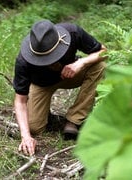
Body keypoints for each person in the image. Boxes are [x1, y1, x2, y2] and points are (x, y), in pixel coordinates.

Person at [13, 19, 107, 156]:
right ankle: (46, 116)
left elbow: (103, 52)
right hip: (41, 85)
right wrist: (25, 136)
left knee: (100, 67)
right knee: (34, 127)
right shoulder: (23, 60)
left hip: (70, 73)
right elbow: (20, 100)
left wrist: (81, 63)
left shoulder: (73, 32)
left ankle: (74, 120)